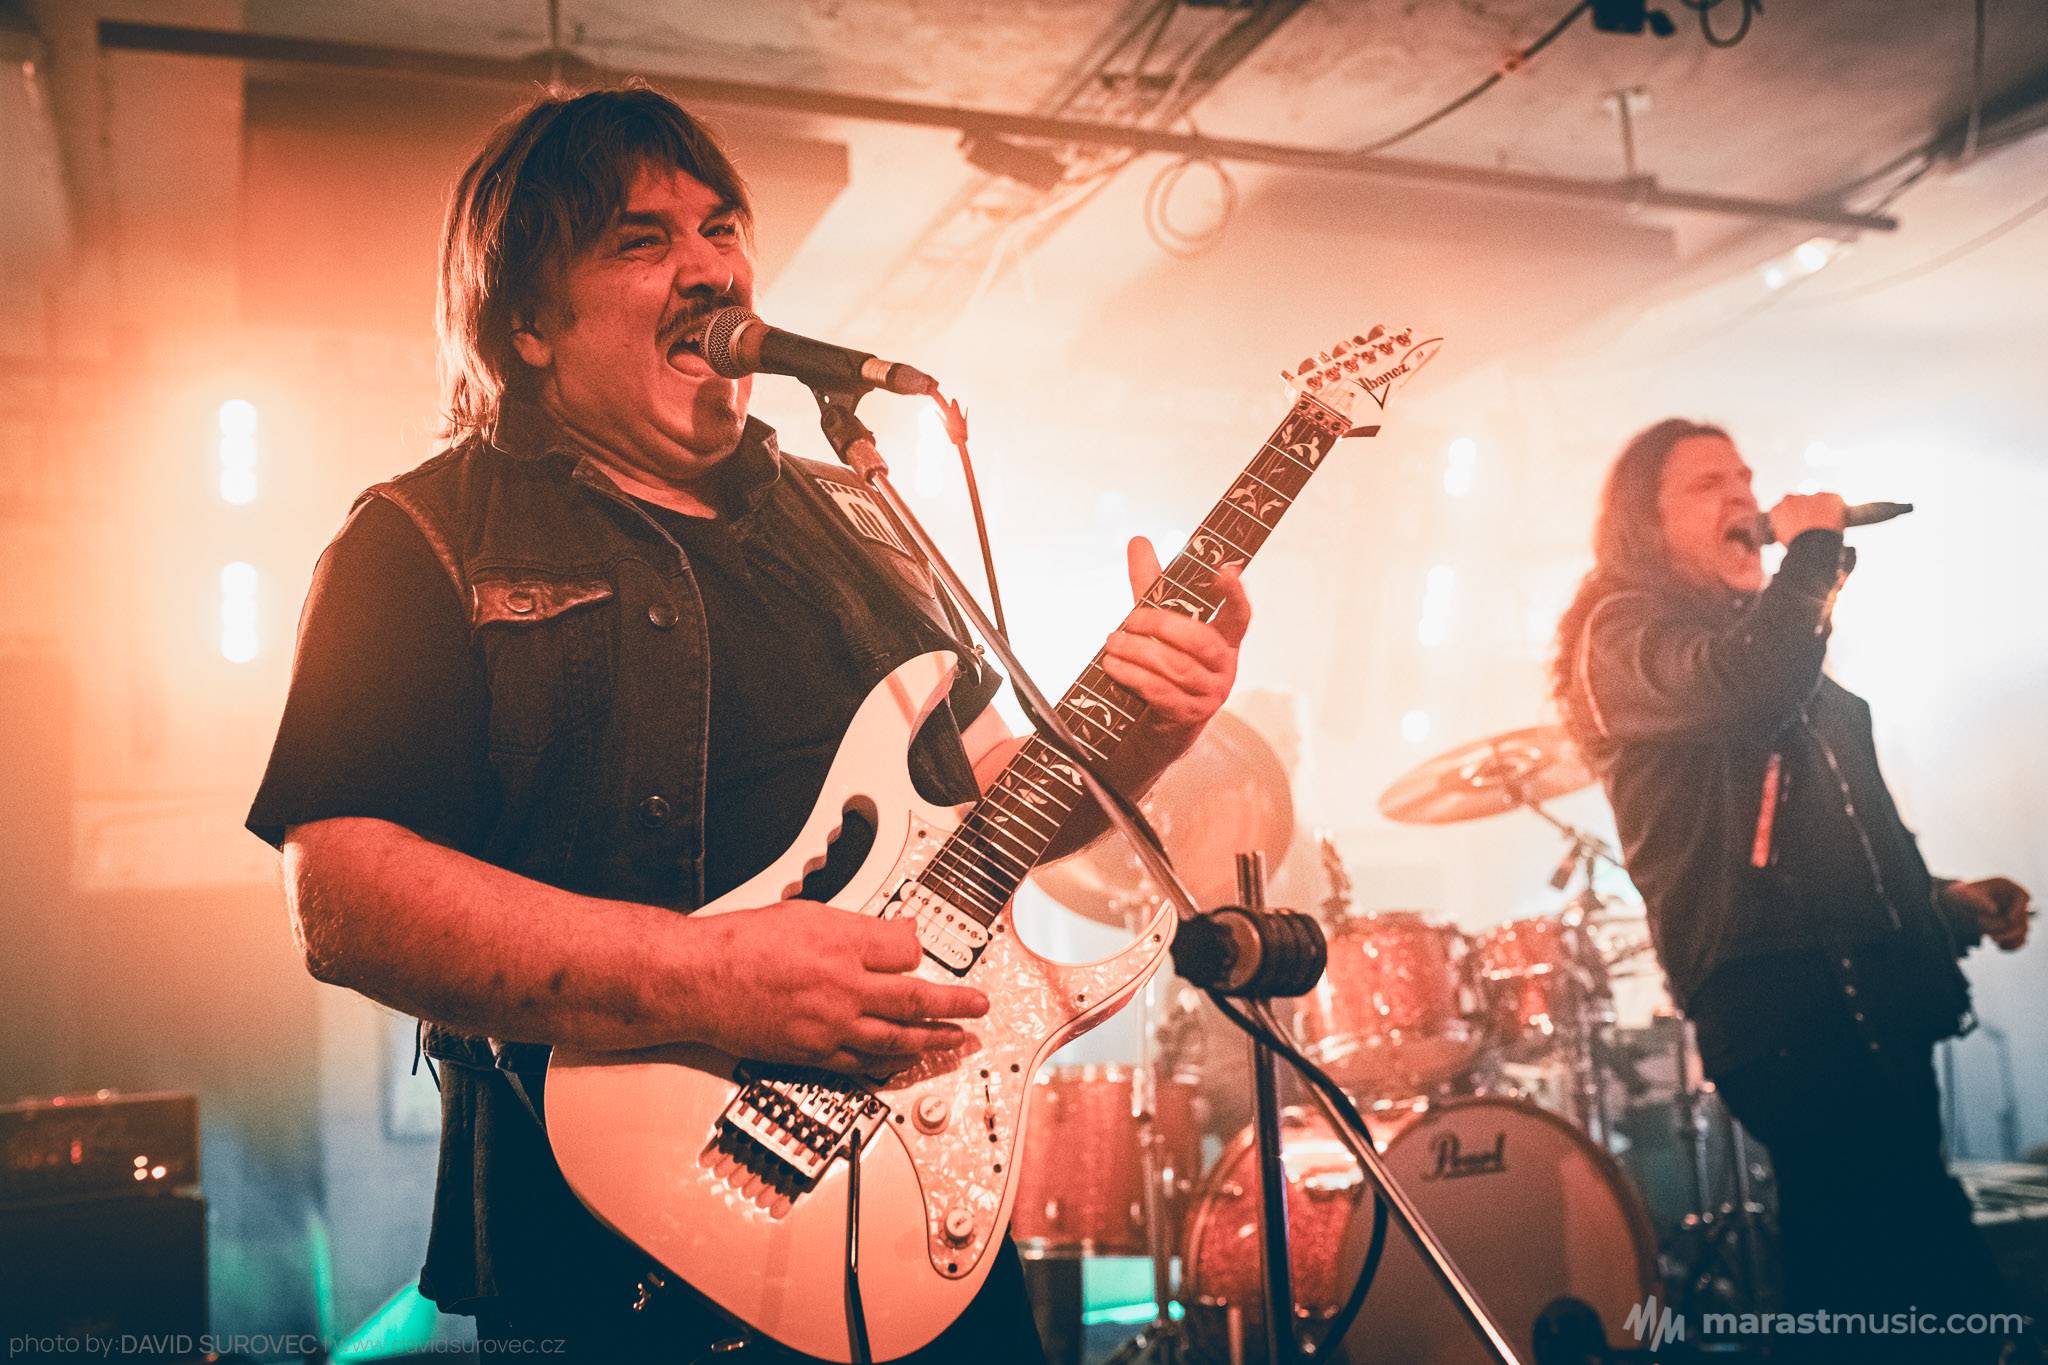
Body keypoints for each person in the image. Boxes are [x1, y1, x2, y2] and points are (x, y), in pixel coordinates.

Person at [246, 84, 1252, 1363]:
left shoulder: (859, 522)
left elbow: (987, 800)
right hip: (609, 1241)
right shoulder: (420, 538)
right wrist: (706, 979)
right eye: (641, 240)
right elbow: (342, 897)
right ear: (530, 324)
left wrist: (1140, 733)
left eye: (721, 229)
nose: (708, 266)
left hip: (920, 1199)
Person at [1550, 419, 2030, 1363]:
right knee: (1899, 1265)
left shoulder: (1766, 637)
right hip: (1784, 1000)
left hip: (1869, 988)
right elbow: (1750, 686)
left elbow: (1828, 839)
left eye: (1745, 476)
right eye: (1706, 484)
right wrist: (1813, 553)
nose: (1743, 494)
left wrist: (1940, 901)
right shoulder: (1625, 636)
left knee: (1884, 1265)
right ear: (1644, 525)